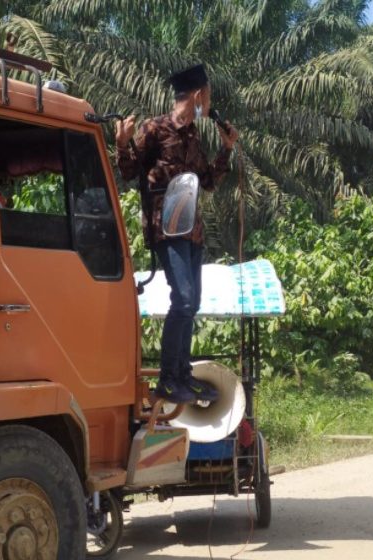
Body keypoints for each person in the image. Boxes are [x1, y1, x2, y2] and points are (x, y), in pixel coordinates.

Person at [116, 64, 239, 404]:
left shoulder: (194, 136)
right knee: (182, 298)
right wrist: (122, 143)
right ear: (199, 95)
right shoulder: (155, 129)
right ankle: (168, 380)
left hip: (192, 230)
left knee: (192, 302)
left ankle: (182, 374)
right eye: (209, 95)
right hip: (165, 227)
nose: (209, 102)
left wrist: (226, 149)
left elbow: (208, 182)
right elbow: (127, 171)